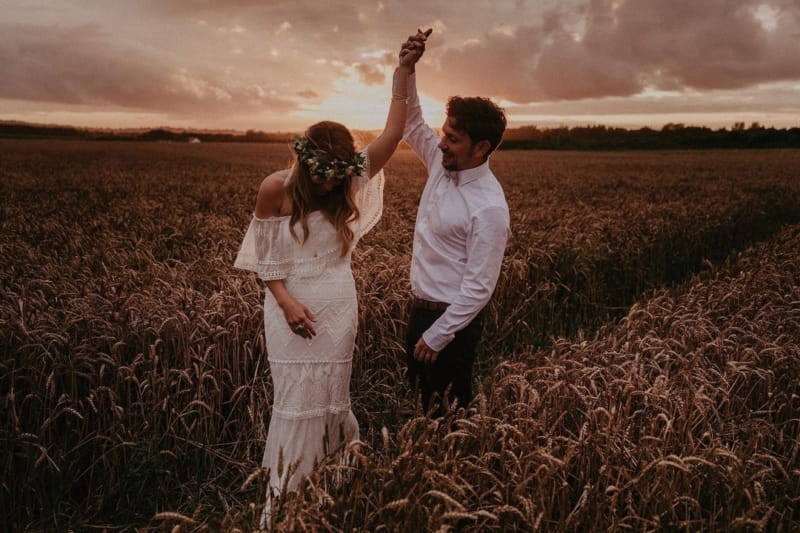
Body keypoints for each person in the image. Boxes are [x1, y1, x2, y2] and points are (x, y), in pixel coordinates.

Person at [233, 33, 426, 529]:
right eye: (319, 174)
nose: (326, 184)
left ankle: (334, 490)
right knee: (295, 399)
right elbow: (267, 265)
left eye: (335, 176)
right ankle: (286, 501)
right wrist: (286, 304)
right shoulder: (275, 188)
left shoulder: (352, 177)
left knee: (333, 395)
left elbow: (393, 129)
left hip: (338, 304)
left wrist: (403, 71)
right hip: (288, 307)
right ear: (303, 160)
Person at [401, 30, 510, 416]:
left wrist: (437, 336)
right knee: (421, 411)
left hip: (451, 324)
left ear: (482, 148)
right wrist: (407, 69)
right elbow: (412, 123)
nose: (442, 143)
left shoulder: (489, 207)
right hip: (420, 311)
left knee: (448, 418)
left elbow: (480, 287)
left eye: (454, 139)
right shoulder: (440, 163)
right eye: (444, 134)